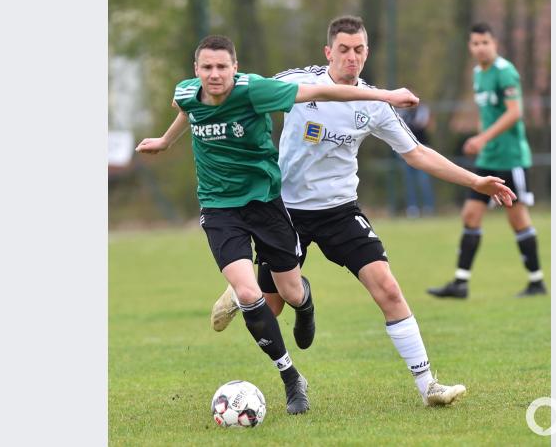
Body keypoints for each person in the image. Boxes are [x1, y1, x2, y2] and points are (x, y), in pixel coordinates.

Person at [209, 16, 516, 407]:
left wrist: (475, 182)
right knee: (272, 304)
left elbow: (417, 154)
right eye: (343, 49)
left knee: (387, 287)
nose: (351, 57)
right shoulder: (298, 82)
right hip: (284, 210)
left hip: (339, 211)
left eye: (359, 50)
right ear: (328, 52)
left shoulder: (374, 104)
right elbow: (244, 95)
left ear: (367, 53)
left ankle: (429, 387)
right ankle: (244, 292)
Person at [135, 35, 421, 415]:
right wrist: (166, 141)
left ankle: (306, 303)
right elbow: (186, 108)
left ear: (235, 68)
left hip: (267, 204)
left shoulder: (255, 91)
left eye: (222, 67)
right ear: (196, 71)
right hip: (220, 209)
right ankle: (291, 379)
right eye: (207, 67)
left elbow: (324, 91)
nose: (215, 74)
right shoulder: (188, 91)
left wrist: (385, 96)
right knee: (249, 294)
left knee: (290, 293)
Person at [427, 22, 547, 300]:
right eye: (475, 43)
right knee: (470, 215)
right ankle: (460, 283)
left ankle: (536, 281)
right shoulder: (477, 74)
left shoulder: (506, 73)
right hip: (488, 158)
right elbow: (486, 114)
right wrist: (481, 140)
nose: (480, 48)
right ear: (470, 47)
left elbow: (514, 113)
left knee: (517, 219)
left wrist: (482, 138)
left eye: (485, 43)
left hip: (510, 158)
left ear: (495, 44)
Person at [396, 103, 436, 217]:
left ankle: (428, 208)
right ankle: (412, 208)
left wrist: (410, 125)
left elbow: (421, 125)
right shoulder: (401, 112)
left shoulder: (423, 110)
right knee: (409, 183)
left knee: (424, 182)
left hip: (422, 151)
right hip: (407, 153)